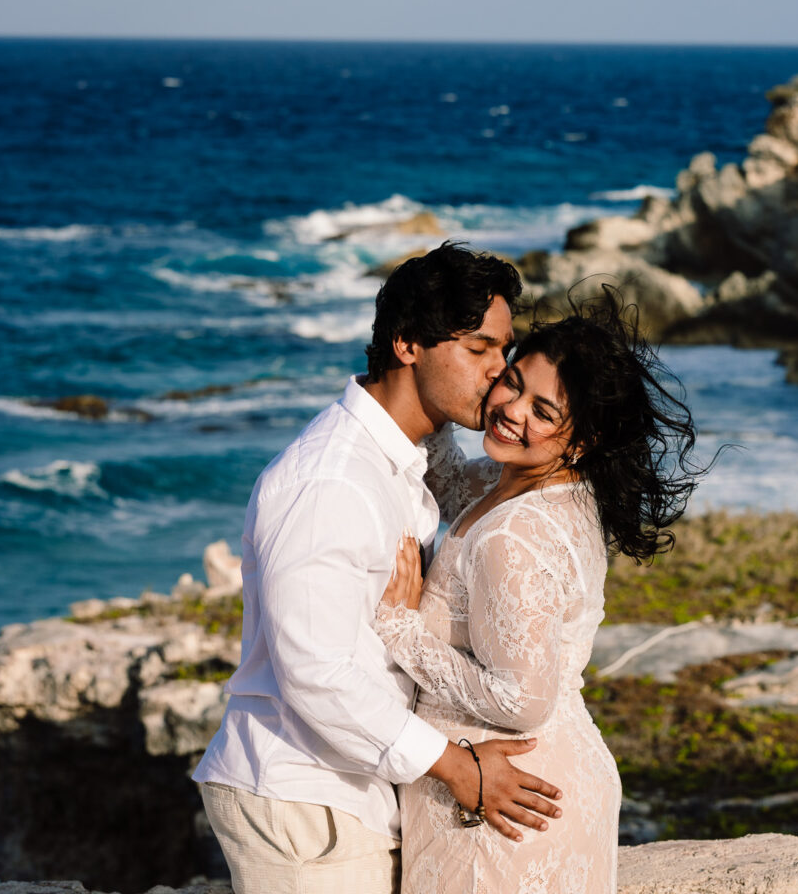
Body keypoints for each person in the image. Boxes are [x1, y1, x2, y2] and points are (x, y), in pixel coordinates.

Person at [193, 242, 563, 894]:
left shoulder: (401, 461)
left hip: (350, 792)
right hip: (304, 800)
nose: (500, 375)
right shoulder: (329, 481)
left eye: (504, 353)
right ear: (408, 345)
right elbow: (317, 672)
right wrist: (456, 767)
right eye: (479, 350)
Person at [373, 303, 704, 893]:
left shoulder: (513, 534)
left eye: (543, 411)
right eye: (513, 382)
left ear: (582, 440)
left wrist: (403, 631)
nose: (511, 412)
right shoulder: (546, 488)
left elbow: (522, 699)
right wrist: (448, 381)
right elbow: (447, 479)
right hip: (524, 784)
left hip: (508, 799)